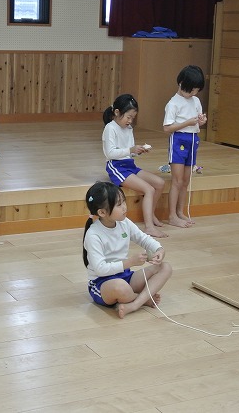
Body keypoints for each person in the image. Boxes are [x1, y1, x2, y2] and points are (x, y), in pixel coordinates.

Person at [83, 181, 172, 318]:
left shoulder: (124, 222)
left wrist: (158, 249)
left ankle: (135, 304)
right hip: (102, 283)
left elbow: (143, 238)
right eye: (119, 204)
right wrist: (130, 262)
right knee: (121, 287)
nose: (124, 207)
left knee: (165, 267)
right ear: (102, 212)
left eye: (124, 201)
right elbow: (101, 269)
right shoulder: (93, 235)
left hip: (125, 276)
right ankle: (143, 299)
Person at [102, 94, 167, 238]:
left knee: (160, 183)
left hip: (129, 165)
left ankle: (151, 214)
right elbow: (110, 153)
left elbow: (129, 152)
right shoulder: (110, 128)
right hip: (116, 167)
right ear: (117, 112)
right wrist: (131, 150)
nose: (130, 121)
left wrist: (138, 151)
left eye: (133, 118)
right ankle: (149, 227)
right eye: (128, 117)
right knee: (149, 189)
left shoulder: (129, 128)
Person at [162, 65, 207, 228]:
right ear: (181, 84)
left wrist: (201, 122)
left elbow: (197, 123)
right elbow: (167, 128)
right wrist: (187, 123)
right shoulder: (173, 103)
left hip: (193, 140)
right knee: (177, 180)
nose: (194, 93)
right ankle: (172, 216)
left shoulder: (196, 101)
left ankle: (180, 212)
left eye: (196, 90)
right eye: (191, 90)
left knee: (186, 180)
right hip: (179, 140)